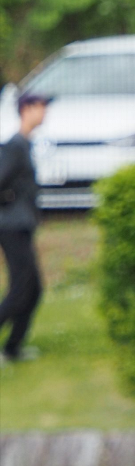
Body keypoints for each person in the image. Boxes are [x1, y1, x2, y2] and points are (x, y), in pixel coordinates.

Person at [0, 91, 51, 365]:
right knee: (21, 289)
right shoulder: (14, 145)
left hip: (22, 224)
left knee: (33, 290)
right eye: (40, 107)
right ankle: (10, 349)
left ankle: (12, 348)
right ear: (26, 110)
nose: (45, 113)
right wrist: (10, 203)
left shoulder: (26, 144)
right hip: (11, 226)